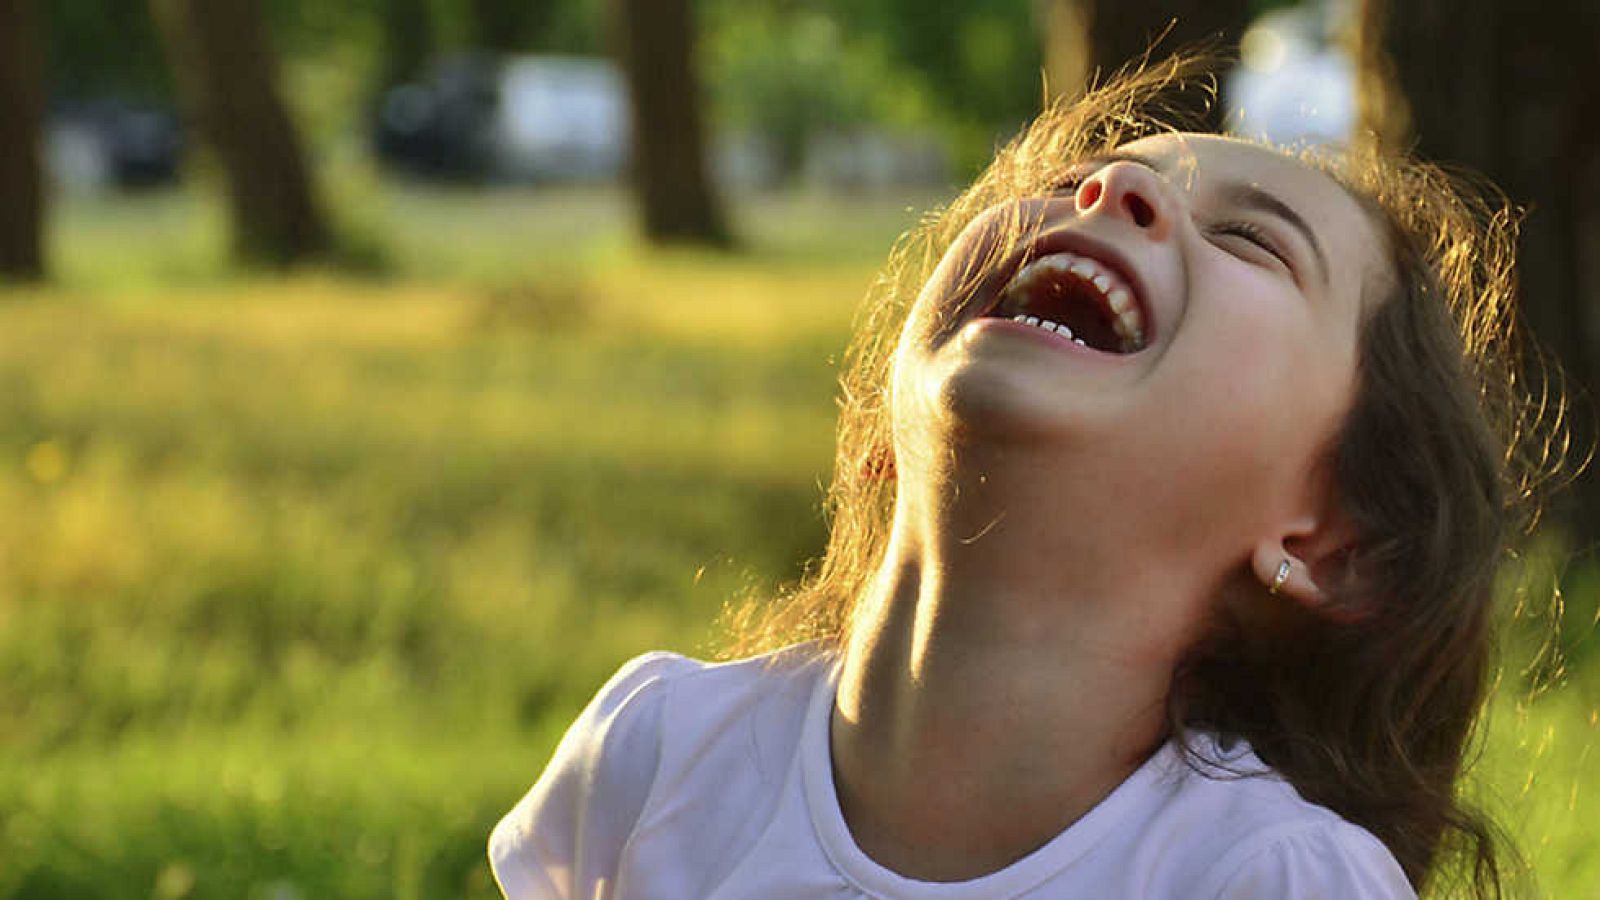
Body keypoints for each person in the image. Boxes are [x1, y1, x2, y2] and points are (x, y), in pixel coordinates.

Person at [488, 59, 1559, 899]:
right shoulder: (655, 754)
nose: (1113, 187)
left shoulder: (1267, 878)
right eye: (1065, 185)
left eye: (1247, 239)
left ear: (1328, 542)